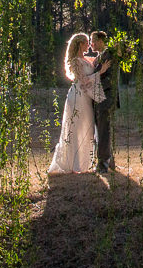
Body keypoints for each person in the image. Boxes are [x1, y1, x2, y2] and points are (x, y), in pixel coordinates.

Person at [47, 33, 110, 175]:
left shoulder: (87, 59)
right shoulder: (75, 61)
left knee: (87, 129)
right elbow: (83, 80)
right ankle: (74, 164)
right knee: (75, 128)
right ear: (80, 44)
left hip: (86, 99)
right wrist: (101, 72)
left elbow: (101, 56)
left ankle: (84, 162)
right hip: (77, 97)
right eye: (87, 42)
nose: (89, 45)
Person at [86, 30, 119, 173]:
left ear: (100, 41)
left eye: (93, 40)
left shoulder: (110, 55)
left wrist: (94, 84)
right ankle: (109, 161)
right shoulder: (99, 57)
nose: (91, 44)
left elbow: (110, 80)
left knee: (103, 130)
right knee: (101, 130)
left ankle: (103, 164)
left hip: (105, 98)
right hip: (98, 98)